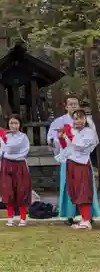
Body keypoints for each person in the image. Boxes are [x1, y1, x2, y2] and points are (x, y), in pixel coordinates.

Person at [48, 94, 96, 223]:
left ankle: (88, 215)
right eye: (71, 104)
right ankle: (69, 215)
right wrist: (56, 139)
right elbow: (52, 137)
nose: (73, 106)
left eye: (76, 104)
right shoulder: (59, 121)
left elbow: (93, 139)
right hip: (67, 158)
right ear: (66, 106)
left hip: (83, 158)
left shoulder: (87, 121)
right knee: (68, 185)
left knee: (85, 186)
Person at [55, 109, 100, 230]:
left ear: (85, 119)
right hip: (71, 163)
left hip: (82, 163)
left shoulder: (88, 132)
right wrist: (61, 138)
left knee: (83, 190)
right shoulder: (72, 130)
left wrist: (69, 134)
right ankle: (83, 219)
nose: (78, 121)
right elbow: (67, 147)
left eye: (81, 118)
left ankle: (86, 220)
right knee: (74, 190)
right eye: (76, 118)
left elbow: (82, 146)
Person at [0, 114, 31, 227]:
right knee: (8, 191)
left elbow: (16, 149)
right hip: (6, 164)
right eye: (11, 123)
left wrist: (3, 139)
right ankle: (10, 218)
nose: (13, 125)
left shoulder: (23, 137)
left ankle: (23, 218)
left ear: (20, 124)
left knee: (22, 190)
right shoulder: (5, 136)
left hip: (20, 164)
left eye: (16, 123)